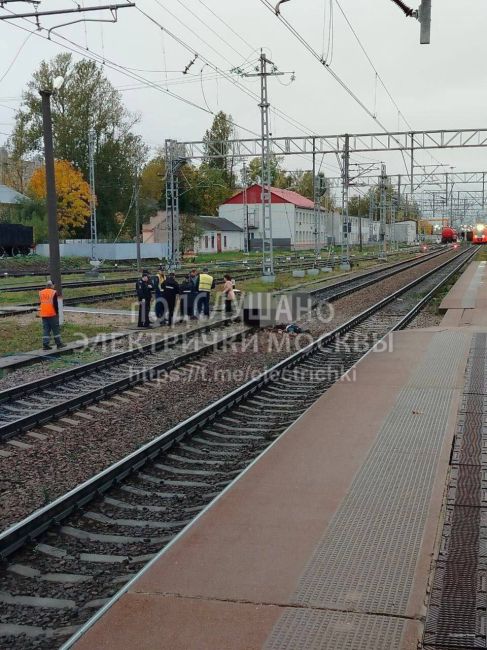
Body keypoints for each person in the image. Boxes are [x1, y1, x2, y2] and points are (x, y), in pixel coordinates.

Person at [39, 280, 65, 350]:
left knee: (46, 329)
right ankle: (59, 344)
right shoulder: (53, 292)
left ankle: (45, 345)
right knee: (56, 329)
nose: (54, 287)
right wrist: (57, 313)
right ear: (52, 285)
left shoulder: (41, 292)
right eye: (54, 285)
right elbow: (55, 304)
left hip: (44, 314)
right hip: (52, 313)